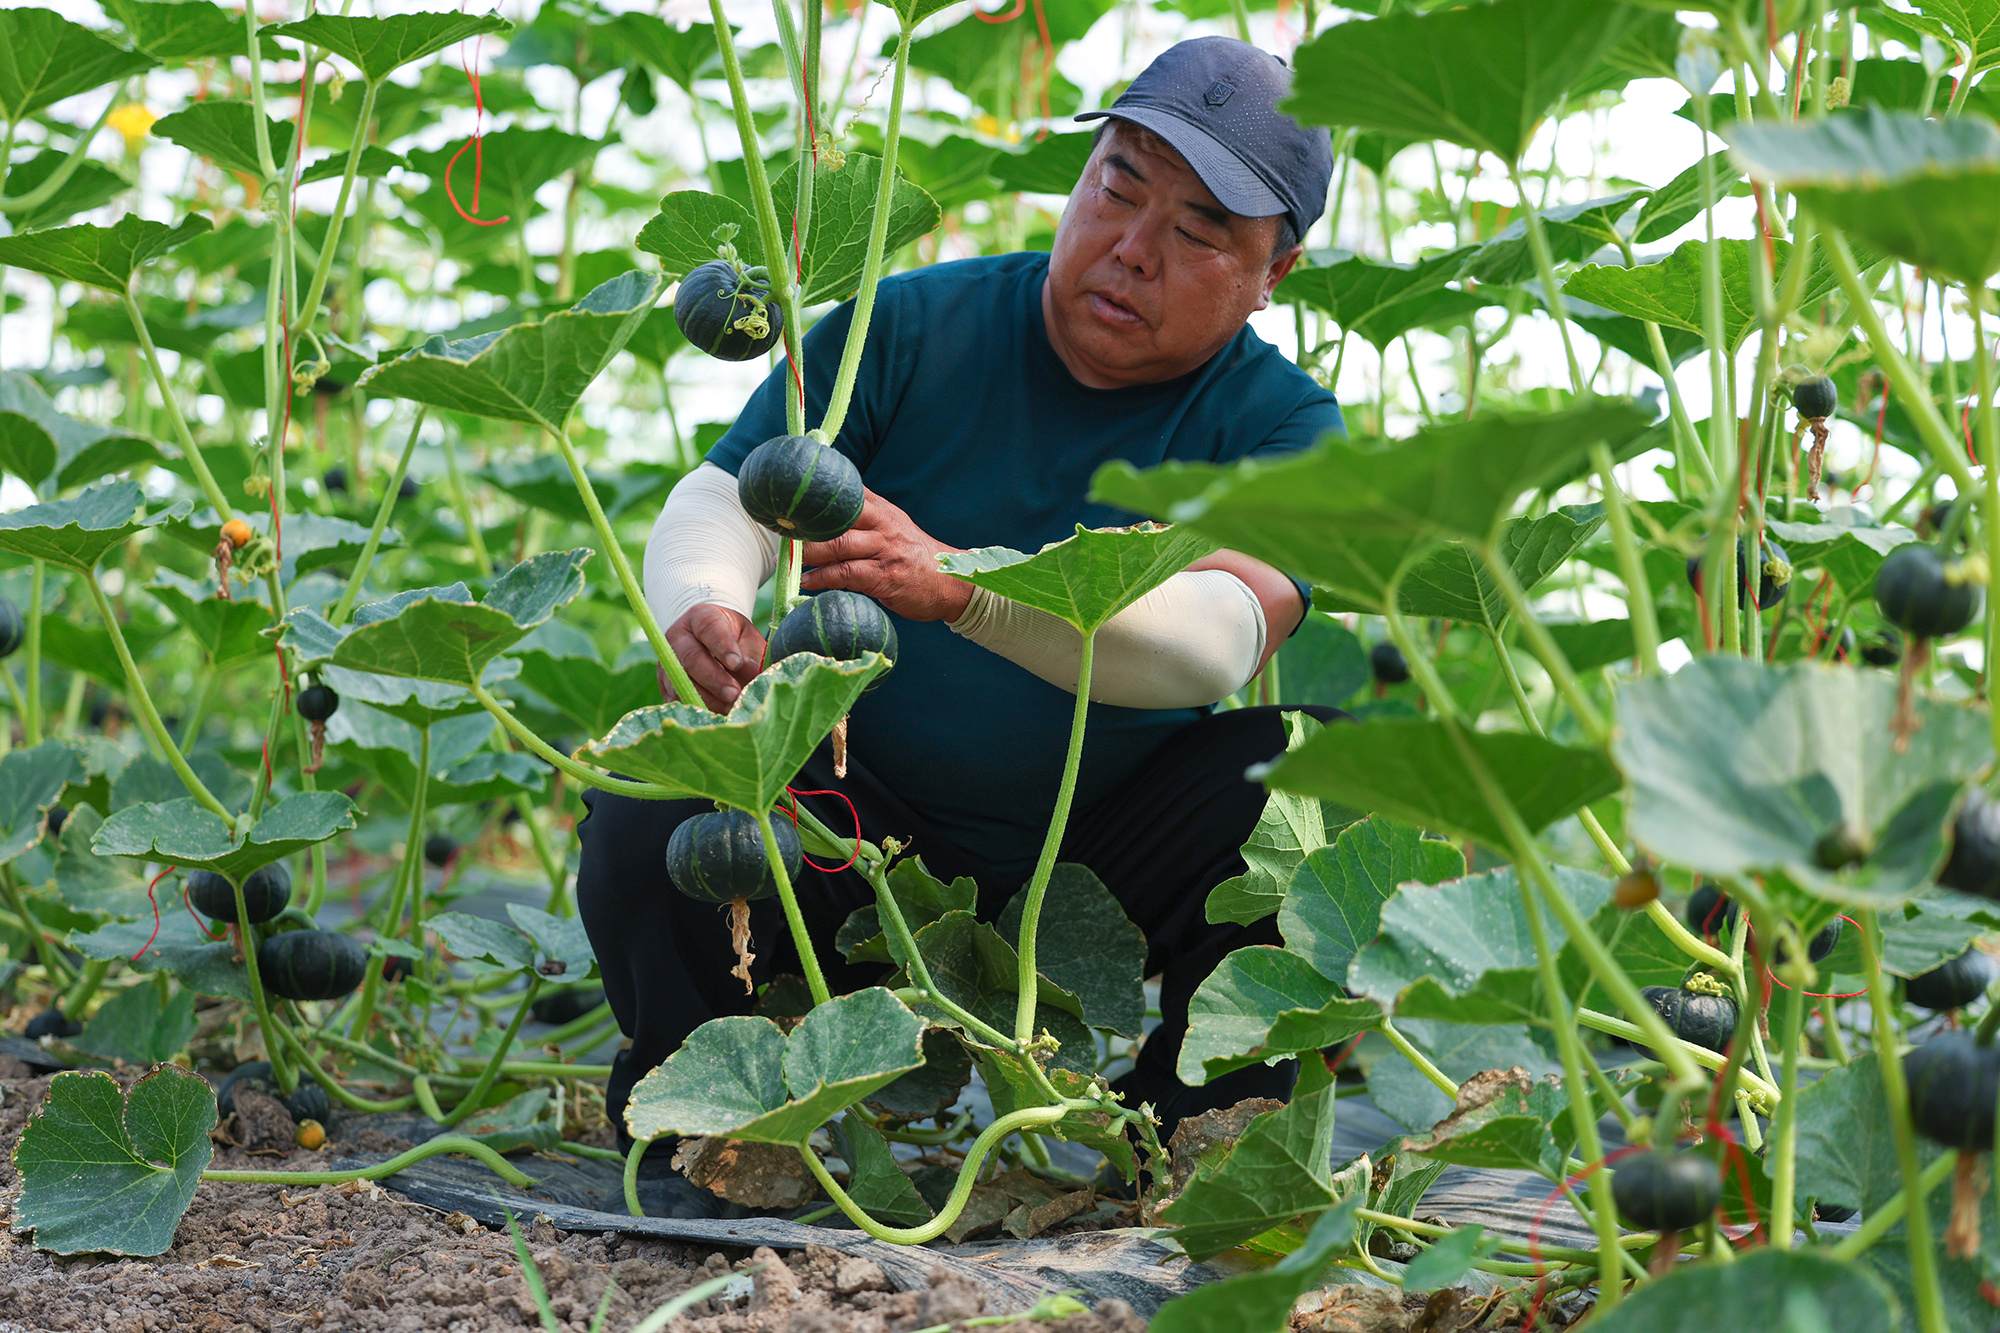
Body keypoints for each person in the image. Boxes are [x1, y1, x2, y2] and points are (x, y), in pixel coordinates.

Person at [576, 35, 1342, 1213]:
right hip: (850, 824)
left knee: (1316, 785)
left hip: (1103, 850)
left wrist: (965, 589)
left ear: (1272, 272)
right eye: (1116, 187)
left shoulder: (1286, 426)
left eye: (1195, 234)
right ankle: (714, 1129)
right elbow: (725, 495)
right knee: (657, 797)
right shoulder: (910, 322)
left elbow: (1218, 638)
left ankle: (1197, 1145)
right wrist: (709, 606)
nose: (1131, 248)